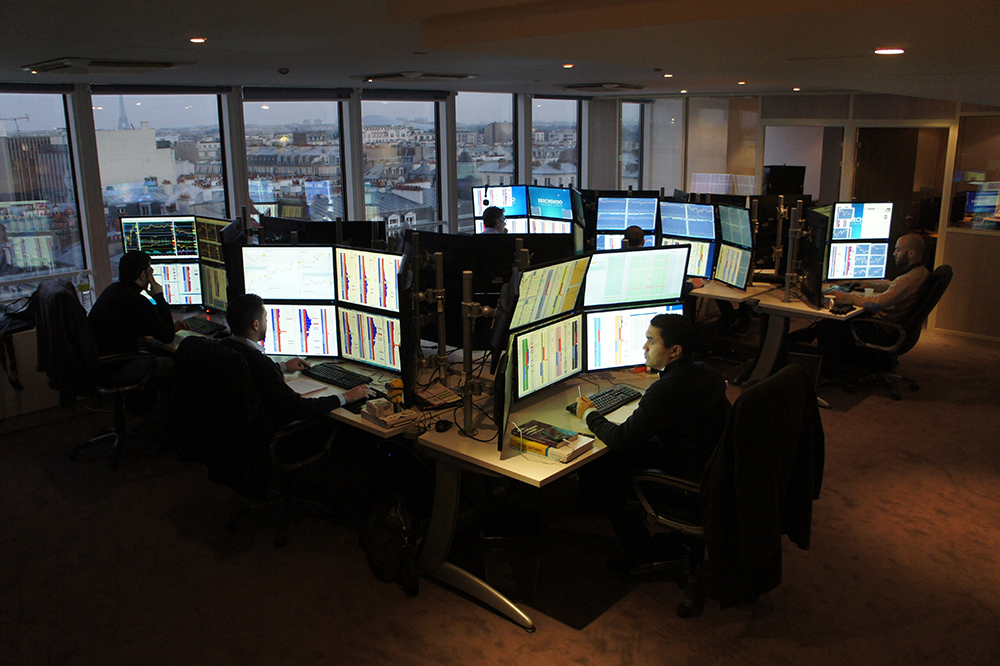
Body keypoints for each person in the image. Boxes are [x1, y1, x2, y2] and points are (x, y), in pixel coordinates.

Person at [575, 313, 731, 481]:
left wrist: (589, 413)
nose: (644, 347)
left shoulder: (666, 389)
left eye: (651, 341)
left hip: (687, 472)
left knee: (601, 458)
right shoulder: (706, 372)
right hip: (714, 466)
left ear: (675, 351)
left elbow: (620, 439)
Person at [220, 293, 374, 430]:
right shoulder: (261, 363)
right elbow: (300, 408)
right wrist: (346, 397)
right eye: (265, 319)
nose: (266, 322)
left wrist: (283, 366)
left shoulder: (225, 348)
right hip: (272, 434)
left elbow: (252, 372)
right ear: (255, 324)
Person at [790, 233, 931, 350]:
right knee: (825, 324)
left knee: (829, 324)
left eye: (898, 250)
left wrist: (845, 297)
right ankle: (796, 345)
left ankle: (822, 365)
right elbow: (892, 285)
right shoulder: (920, 272)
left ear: (911, 253)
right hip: (890, 326)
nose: (894, 254)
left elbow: (877, 303)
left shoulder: (908, 279)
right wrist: (867, 284)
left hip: (883, 329)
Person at [88, 250, 186, 356]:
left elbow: (139, 326)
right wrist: (158, 296)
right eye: (150, 272)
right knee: (170, 362)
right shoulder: (137, 301)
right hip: (120, 365)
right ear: (143, 275)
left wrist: (172, 328)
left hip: (101, 360)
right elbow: (167, 338)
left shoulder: (113, 290)